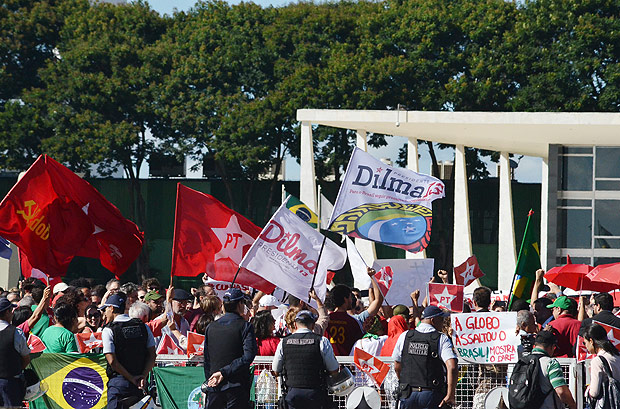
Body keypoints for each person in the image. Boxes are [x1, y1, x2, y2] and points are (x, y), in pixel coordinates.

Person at [392, 306, 458, 409]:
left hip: (408, 394)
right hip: (431, 395)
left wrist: (405, 382)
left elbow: (397, 366)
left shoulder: (405, 336)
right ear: (433, 320)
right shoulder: (441, 339)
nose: (442, 323)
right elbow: (452, 366)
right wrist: (450, 394)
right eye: (441, 320)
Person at [272, 310, 339, 409]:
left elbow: (275, 370)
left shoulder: (284, 342)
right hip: (315, 395)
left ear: (295, 324)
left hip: (292, 394)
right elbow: (334, 369)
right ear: (313, 325)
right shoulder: (321, 341)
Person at [204, 288, 257, 409]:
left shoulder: (211, 327)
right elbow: (248, 356)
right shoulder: (245, 326)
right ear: (240, 304)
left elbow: (207, 359)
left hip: (215, 387)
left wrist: (211, 379)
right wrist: (224, 372)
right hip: (236, 388)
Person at [102, 293, 156, 409]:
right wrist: (143, 376)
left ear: (111, 308)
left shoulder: (108, 330)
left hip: (119, 384)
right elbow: (152, 356)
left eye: (105, 309)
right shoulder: (143, 326)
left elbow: (112, 361)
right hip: (140, 384)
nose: (105, 313)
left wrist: (131, 378)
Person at [326, 267, 383, 355]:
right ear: (345, 299)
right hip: (350, 364)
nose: (352, 300)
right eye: (350, 297)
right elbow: (378, 301)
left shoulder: (325, 321)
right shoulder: (354, 321)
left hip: (329, 365)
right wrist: (373, 278)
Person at [527, 330, 576, 409]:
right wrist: (573, 405)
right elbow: (561, 391)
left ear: (534, 346)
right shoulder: (551, 363)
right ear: (552, 347)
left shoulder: (522, 362)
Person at [0, 297, 30, 407]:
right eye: (10, 311)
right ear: (7, 312)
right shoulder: (16, 333)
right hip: (10, 385)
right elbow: (26, 359)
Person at [584, 323, 620, 403]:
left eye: (585, 343)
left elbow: (594, 392)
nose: (585, 346)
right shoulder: (617, 355)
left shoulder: (597, 361)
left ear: (591, 341)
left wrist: (588, 390)